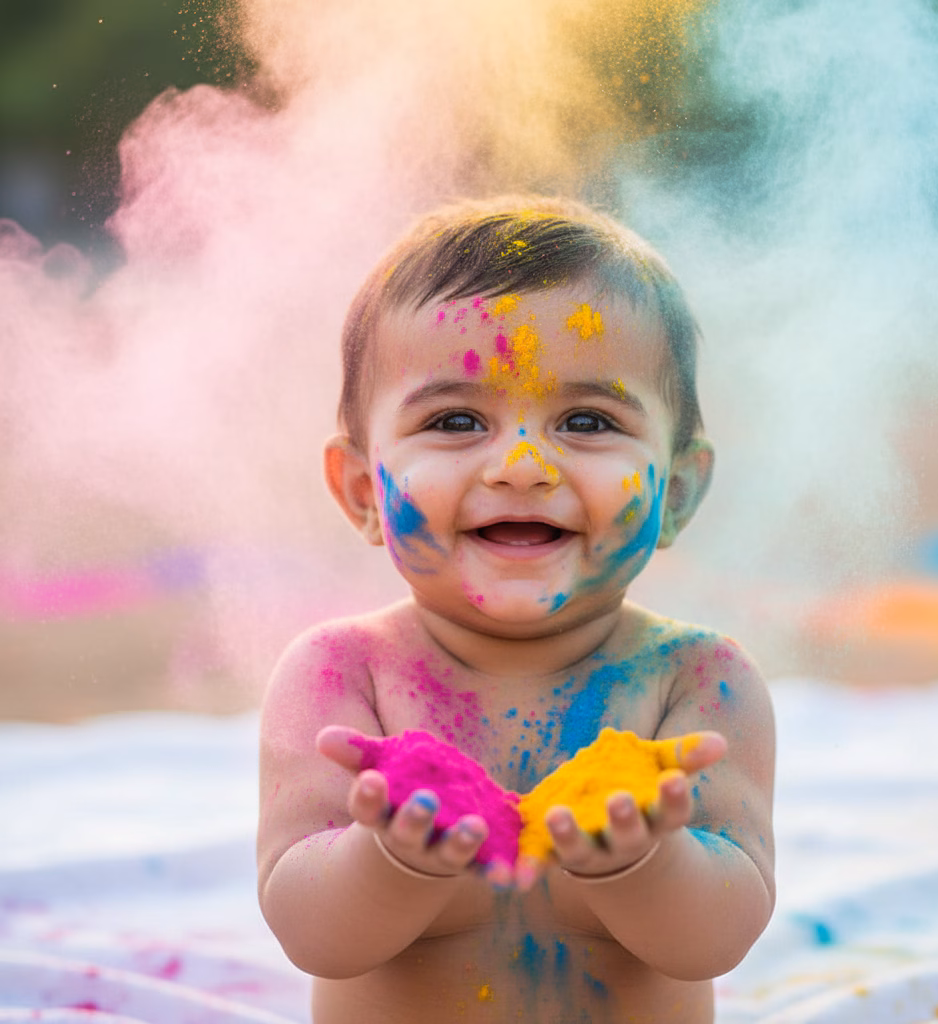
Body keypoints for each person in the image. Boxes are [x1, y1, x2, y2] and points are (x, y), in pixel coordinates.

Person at [257, 196, 776, 1023]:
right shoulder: (343, 675)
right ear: (362, 490)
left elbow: (718, 939)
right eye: (457, 419)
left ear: (675, 492)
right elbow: (312, 935)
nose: (523, 465)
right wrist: (391, 860)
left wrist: (643, 863)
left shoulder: (698, 684)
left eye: (587, 420)